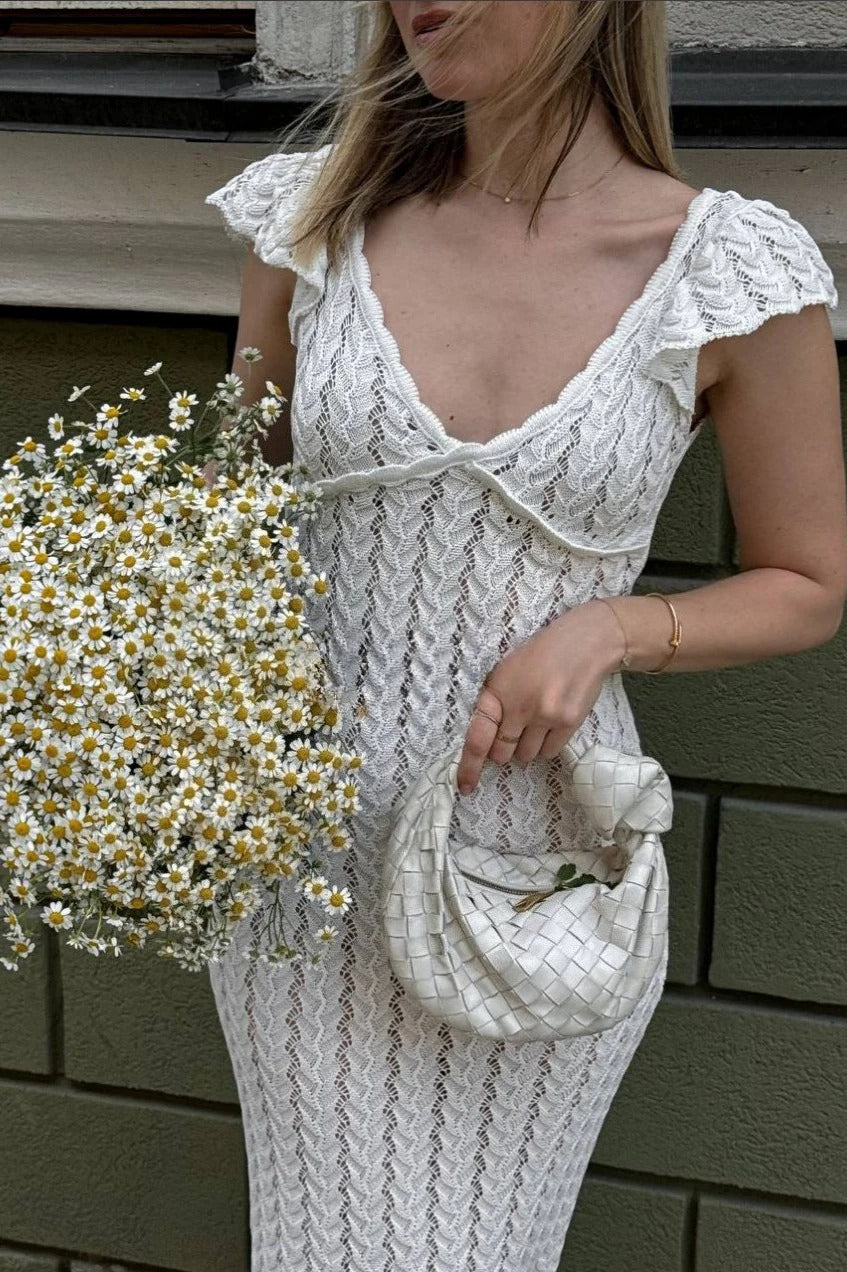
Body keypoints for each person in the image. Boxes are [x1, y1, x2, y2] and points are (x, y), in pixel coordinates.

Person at [203, 3, 847, 1269]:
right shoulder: (314, 220)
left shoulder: (725, 268)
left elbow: (808, 580)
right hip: (304, 878)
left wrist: (614, 627)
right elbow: (232, 514)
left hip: (542, 888)